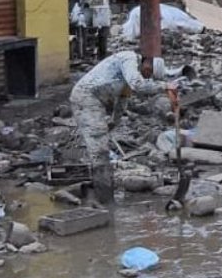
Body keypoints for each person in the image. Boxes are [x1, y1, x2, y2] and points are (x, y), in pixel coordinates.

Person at [68, 50, 163, 201]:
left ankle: (102, 195)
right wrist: (165, 87)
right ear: (147, 61)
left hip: (94, 100)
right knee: (99, 151)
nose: (146, 76)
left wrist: (114, 121)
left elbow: (122, 101)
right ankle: (104, 200)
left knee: (101, 148)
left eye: (149, 76)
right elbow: (138, 85)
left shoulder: (129, 76)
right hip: (86, 97)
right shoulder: (129, 59)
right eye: (148, 72)